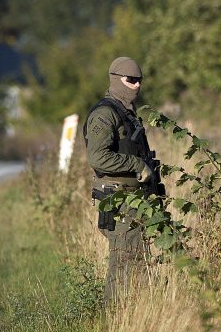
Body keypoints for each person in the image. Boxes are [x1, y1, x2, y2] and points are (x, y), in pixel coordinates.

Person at [84, 56, 157, 305]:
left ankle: (136, 316)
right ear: (116, 80)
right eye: (131, 80)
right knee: (123, 266)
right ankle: (113, 318)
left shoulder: (128, 114)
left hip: (135, 199)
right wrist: (136, 165)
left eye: (139, 81)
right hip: (118, 199)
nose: (137, 85)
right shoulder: (105, 114)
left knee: (137, 261)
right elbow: (97, 157)